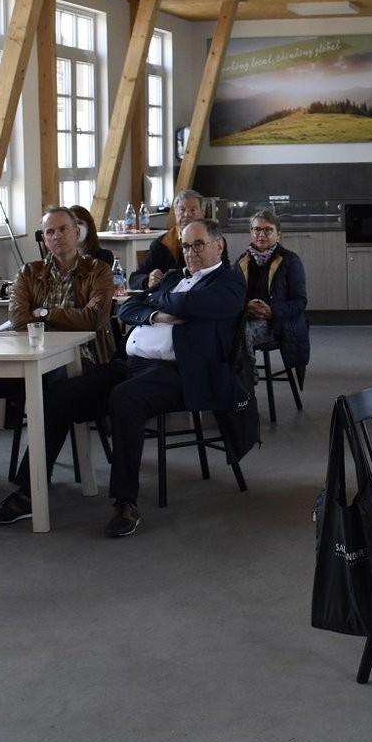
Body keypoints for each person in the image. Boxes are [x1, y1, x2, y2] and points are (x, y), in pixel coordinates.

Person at [0, 207, 115, 518]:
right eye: (49, 232)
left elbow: (93, 319)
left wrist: (43, 313)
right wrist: (54, 317)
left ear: (77, 233)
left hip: (83, 360)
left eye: (62, 230)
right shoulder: (29, 273)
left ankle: (28, 490)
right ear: (43, 239)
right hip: (33, 358)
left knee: (58, 393)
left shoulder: (98, 271)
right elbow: (19, 320)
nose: (57, 237)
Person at [100, 219, 249, 537]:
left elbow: (190, 303)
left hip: (181, 373)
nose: (190, 252)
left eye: (198, 244)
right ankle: (29, 492)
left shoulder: (229, 282)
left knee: (125, 398)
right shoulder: (172, 278)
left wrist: (154, 300)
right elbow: (126, 309)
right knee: (64, 391)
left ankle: (125, 502)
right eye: (185, 246)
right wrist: (156, 312)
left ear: (218, 245)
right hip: (132, 364)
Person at [237, 210, 310, 381]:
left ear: (278, 234)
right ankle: (232, 380)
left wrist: (272, 311)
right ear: (251, 233)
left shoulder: (290, 260)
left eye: (267, 230)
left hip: (277, 323)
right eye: (256, 230)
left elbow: (300, 301)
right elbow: (233, 295)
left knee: (241, 332)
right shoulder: (242, 261)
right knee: (225, 330)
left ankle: (246, 378)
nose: (261, 234)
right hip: (247, 317)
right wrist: (246, 305)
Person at [139, 189, 207, 278]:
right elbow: (137, 276)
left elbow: (223, 270)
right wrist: (149, 280)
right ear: (175, 212)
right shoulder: (161, 243)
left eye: (193, 210)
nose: (187, 215)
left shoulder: (214, 240)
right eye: (182, 210)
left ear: (203, 214)